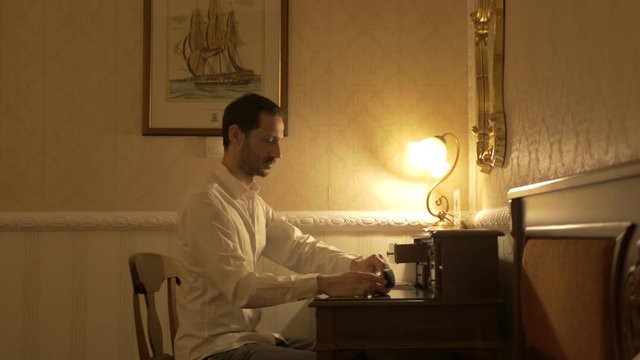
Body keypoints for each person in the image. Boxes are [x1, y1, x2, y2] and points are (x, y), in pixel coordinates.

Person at [174, 93, 390, 360]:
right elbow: (243, 289)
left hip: (248, 338)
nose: (277, 153)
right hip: (213, 350)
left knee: (355, 354)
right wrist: (323, 284)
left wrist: (354, 264)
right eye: (269, 140)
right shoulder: (206, 203)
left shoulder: (250, 201)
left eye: (279, 142)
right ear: (236, 135)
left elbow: (298, 248)